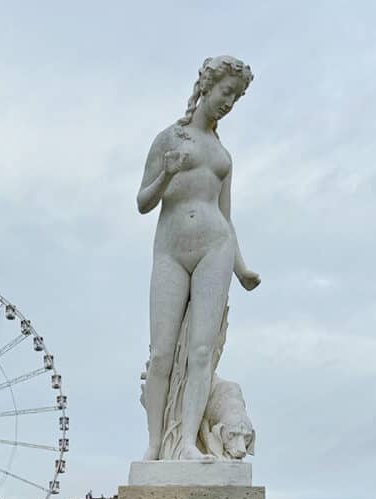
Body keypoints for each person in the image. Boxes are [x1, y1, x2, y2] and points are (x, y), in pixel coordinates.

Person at [138, 55, 260, 462]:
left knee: (202, 352)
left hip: (216, 247)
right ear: (207, 87)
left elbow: (226, 216)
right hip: (171, 250)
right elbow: (143, 202)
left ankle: (188, 441)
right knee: (161, 353)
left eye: (236, 98)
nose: (229, 103)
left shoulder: (223, 156)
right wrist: (167, 174)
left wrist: (241, 268)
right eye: (227, 93)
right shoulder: (168, 139)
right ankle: (156, 444)